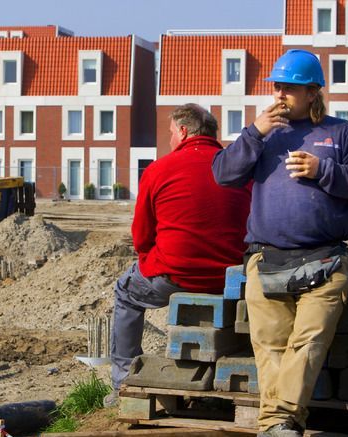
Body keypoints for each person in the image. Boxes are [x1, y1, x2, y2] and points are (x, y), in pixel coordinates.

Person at [212, 49, 348, 437]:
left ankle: (277, 422)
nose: (280, 95)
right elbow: (223, 174)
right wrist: (254, 132)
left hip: (324, 261)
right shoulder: (263, 135)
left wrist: (323, 169)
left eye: (289, 88)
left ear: (312, 92)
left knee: (307, 343)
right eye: (277, 87)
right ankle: (280, 425)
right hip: (266, 259)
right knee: (270, 346)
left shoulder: (342, 134)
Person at [105, 103, 251, 407]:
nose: (169, 140)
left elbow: (142, 236)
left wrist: (152, 258)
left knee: (126, 292)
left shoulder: (160, 169)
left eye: (171, 133)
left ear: (183, 131)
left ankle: (123, 381)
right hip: (231, 279)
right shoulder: (240, 170)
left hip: (174, 274)